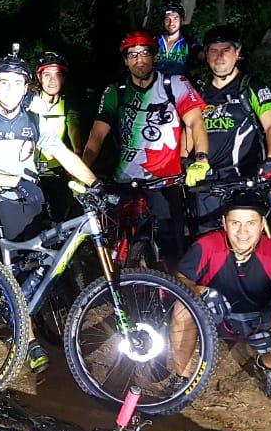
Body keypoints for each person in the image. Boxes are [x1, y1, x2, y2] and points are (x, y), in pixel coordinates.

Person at [0, 44, 97, 373]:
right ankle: (27, 339)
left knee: (50, 258)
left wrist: (95, 184)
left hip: (31, 199)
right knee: (20, 270)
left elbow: (64, 154)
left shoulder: (35, 122)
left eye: (17, 83)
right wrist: (15, 182)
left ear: (26, 88)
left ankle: (32, 311)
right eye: (3, 82)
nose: (10, 89)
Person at [80, 30, 209, 270]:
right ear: (125, 60)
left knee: (172, 249)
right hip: (125, 181)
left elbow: (196, 122)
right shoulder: (116, 91)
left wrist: (200, 158)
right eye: (132, 54)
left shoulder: (174, 84)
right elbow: (97, 135)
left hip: (165, 181)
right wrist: (82, 171)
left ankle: (175, 288)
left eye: (144, 53)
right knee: (114, 248)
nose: (139, 60)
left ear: (155, 56)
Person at [177, 192, 271, 401]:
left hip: (259, 320)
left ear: (262, 224)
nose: (242, 232)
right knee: (182, 307)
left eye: (250, 223)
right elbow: (180, 279)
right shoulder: (206, 245)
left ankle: (265, 366)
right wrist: (201, 291)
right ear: (224, 223)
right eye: (235, 223)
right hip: (216, 317)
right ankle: (181, 380)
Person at [192, 25, 271, 226]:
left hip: (243, 179)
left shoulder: (251, 87)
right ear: (206, 55)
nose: (219, 56)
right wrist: (184, 160)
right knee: (209, 238)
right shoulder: (199, 91)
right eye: (213, 50)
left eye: (226, 50)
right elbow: (190, 128)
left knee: (245, 236)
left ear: (237, 53)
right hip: (207, 183)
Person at [28, 52, 85, 218]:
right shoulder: (28, 101)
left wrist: (77, 155)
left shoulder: (68, 102)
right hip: (30, 171)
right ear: (39, 77)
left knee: (60, 218)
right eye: (47, 75)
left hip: (57, 171)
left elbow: (73, 129)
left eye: (57, 75)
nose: (52, 80)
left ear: (63, 78)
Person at [155, 2, 200, 77]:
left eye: (175, 18)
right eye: (167, 19)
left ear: (182, 21)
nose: (171, 23)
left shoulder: (188, 42)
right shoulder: (155, 41)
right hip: (157, 82)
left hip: (181, 82)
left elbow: (203, 55)